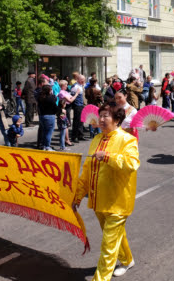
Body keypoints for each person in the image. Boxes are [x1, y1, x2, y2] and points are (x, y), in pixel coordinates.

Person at [73, 103, 139, 280]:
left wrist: (108, 157)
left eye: (106, 116)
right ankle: (127, 260)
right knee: (116, 235)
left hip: (117, 201)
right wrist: (78, 195)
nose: (101, 120)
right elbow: (87, 170)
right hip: (98, 200)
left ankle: (100, 278)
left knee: (108, 244)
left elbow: (132, 164)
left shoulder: (127, 139)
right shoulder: (96, 140)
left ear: (117, 120)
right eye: (100, 115)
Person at [37, 84, 57, 151]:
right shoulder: (51, 98)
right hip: (50, 116)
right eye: (51, 89)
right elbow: (55, 106)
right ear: (49, 90)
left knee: (44, 131)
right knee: (49, 132)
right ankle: (47, 146)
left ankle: (43, 145)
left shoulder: (40, 97)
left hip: (42, 116)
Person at [71, 74, 86, 143]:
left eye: (84, 79)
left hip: (82, 105)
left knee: (81, 121)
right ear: (78, 79)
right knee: (76, 121)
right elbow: (72, 96)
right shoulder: (75, 86)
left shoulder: (81, 86)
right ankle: (75, 136)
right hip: (77, 106)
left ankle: (80, 135)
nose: (83, 81)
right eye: (82, 79)